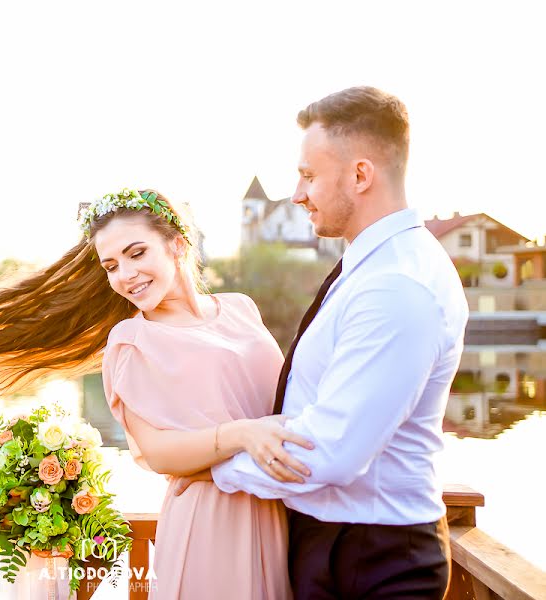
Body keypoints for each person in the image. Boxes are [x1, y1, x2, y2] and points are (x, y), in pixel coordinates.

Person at [0, 188, 310, 599]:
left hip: (283, 515)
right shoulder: (133, 342)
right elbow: (158, 453)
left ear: (177, 245)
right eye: (111, 265)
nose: (126, 276)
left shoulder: (242, 309)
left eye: (137, 254)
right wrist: (242, 434)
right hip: (213, 522)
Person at [174, 86, 470, 600]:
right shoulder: (372, 265)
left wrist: (208, 466)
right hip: (339, 545)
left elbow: (328, 451)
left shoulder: (398, 284)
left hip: (374, 562)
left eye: (309, 175)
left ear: (360, 175)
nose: (296, 193)